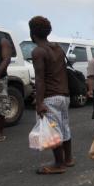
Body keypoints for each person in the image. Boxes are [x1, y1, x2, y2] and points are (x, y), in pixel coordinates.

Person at [29, 16, 74, 174]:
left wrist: (39, 102)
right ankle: (68, 159)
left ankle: (59, 164)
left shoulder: (38, 51)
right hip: (64, 95)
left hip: (50, 97)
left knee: (53, 131)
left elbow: (40, 79)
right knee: (64, 127)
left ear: (32, 33)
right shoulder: (58, 48)